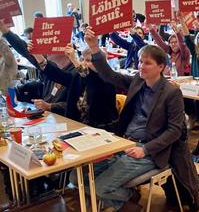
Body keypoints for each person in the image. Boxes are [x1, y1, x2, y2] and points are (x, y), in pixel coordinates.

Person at [75, 29, 185, 211]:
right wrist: (94, 48)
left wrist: (146, 150)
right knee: (77, 177)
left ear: (161, 67)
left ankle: (128, 203)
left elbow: (175, 131)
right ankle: (127, 199)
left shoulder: (172, 93)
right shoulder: (138, 81)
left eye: (147, 63)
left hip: (148, 150)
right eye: (140, 62)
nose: (141, 66)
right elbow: (110, 76)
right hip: (123, 142)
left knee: (100, 186)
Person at [28, 41, 119, 131]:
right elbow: (56, 74)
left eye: (89, 60)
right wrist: (37, 55)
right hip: (78, 126)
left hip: (102, 129)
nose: (84, 63)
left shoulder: (107, 80)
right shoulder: (78, 77)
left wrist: (74, 59)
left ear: (102, 63)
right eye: (82, 59)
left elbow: (90, 79)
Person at [0, 16, 70, 116]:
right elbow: (24, 49)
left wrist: (50, 106)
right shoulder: (49, 67)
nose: (45, 50)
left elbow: (77, 105)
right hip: (48, 117)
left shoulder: (75, 73)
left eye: (49, 47)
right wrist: (4, 29)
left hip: (65, 119)